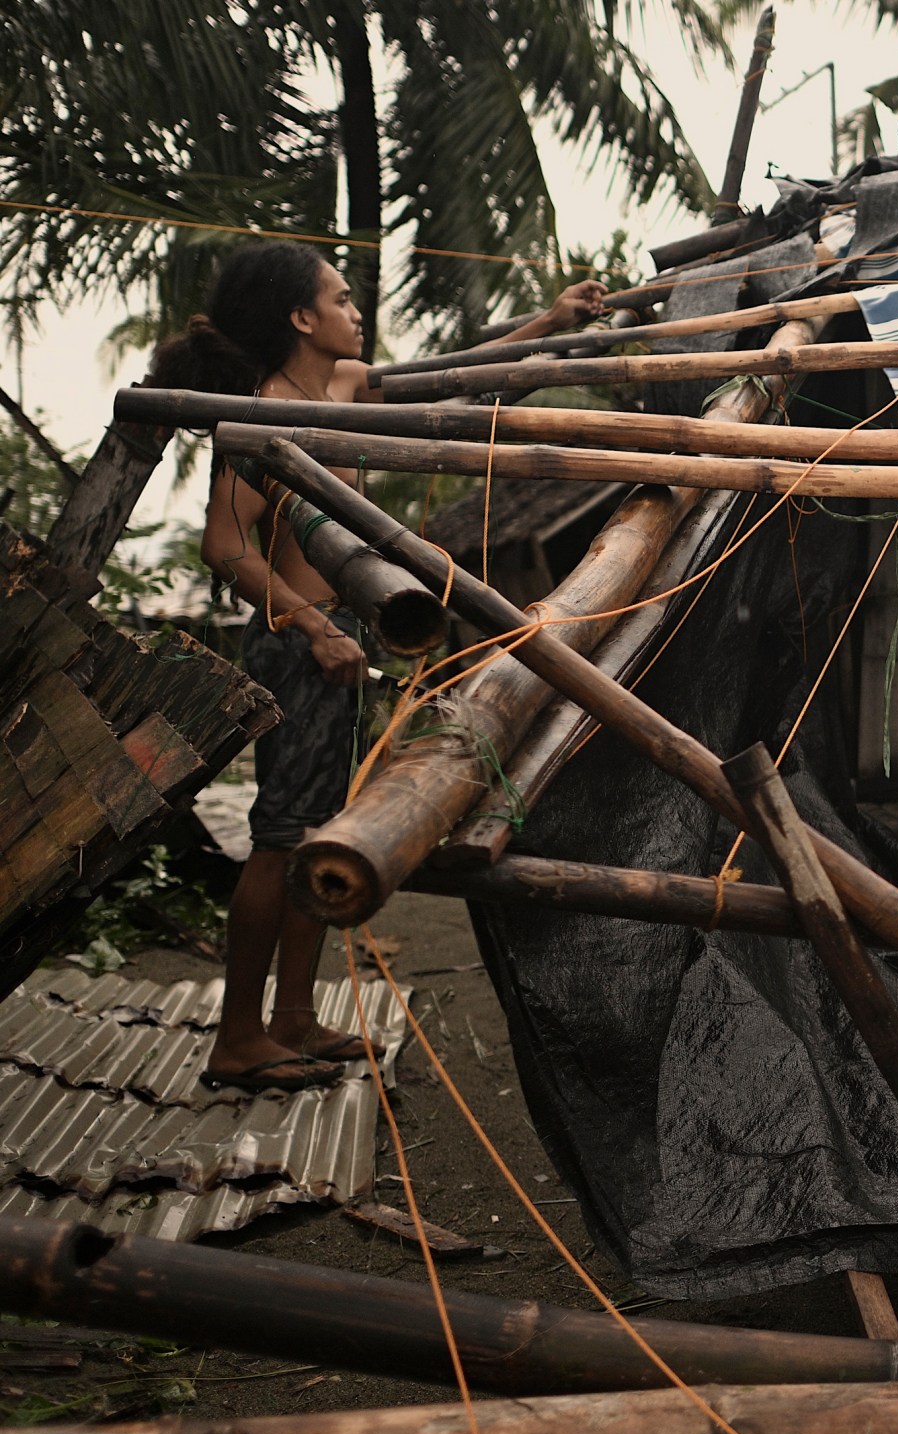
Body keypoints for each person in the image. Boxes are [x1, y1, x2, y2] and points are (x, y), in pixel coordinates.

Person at [150, 241, 606, 1090]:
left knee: (314, 831)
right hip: (301, 646)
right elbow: (226, 545)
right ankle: (238, 1038)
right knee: (277, 842)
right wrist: (313, 628)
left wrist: (553, 320)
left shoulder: (346, 388)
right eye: (338, 297)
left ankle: (292, 1020)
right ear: (300, 318)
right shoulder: (265, 409)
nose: (354, 309)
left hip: (341, 642)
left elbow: (456, 378)